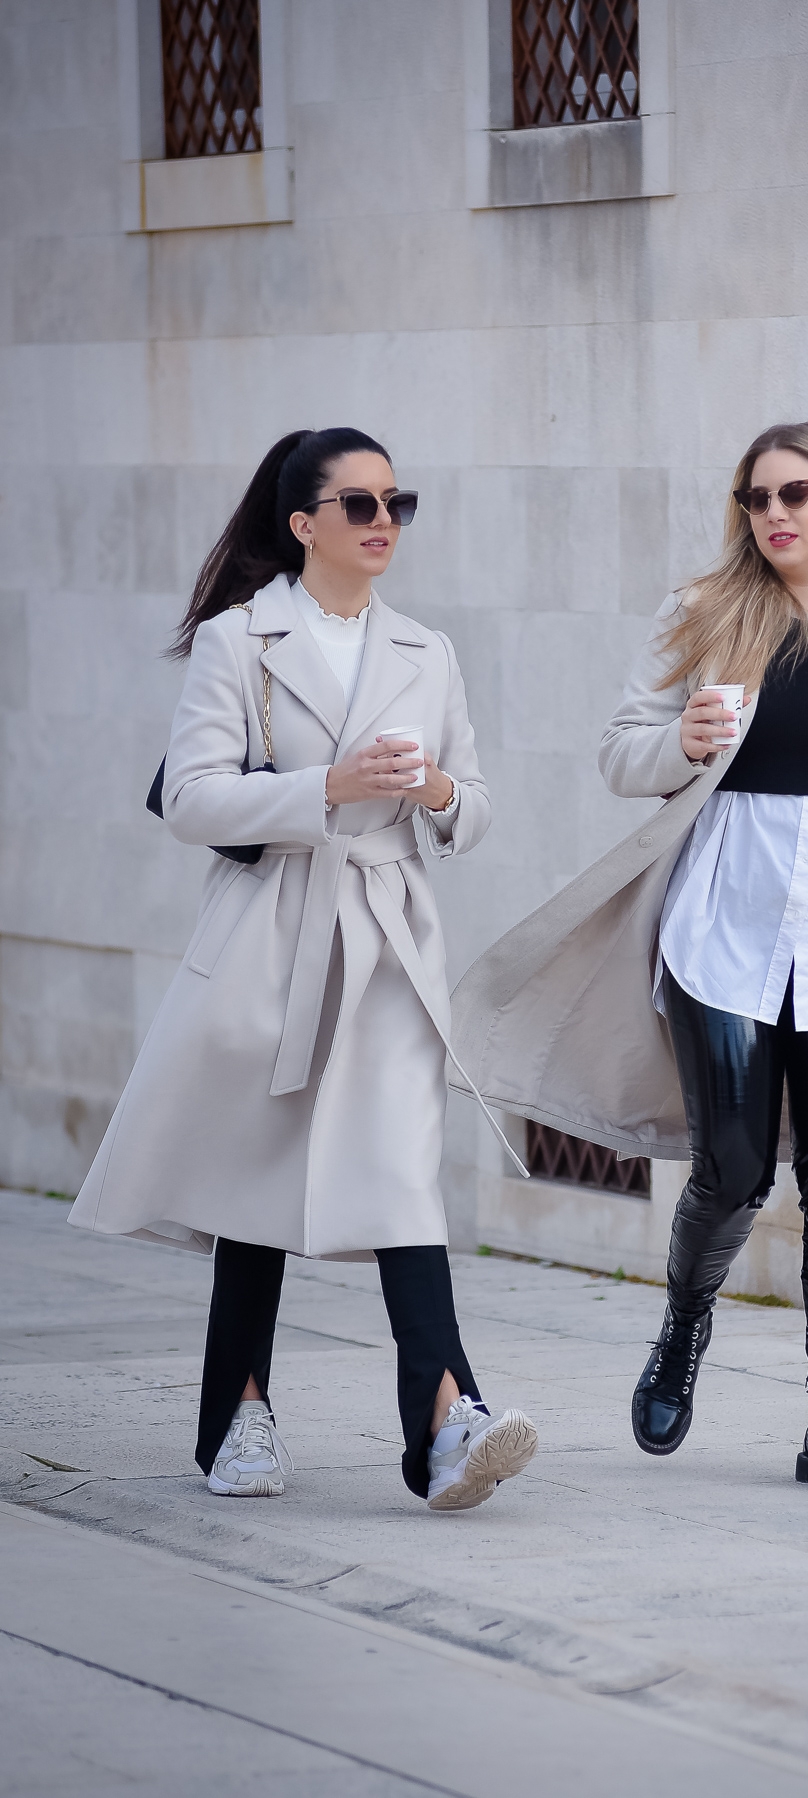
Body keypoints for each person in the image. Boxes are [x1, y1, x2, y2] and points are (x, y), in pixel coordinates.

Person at [449, 421, 808, 1494]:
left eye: (794, 493)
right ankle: (685, 1326)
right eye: (755, 497)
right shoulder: (706, 611)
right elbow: (618, 750)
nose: (773, 513)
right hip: (722, 929)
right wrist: (678, 742)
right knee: (732, 1165)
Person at [70, 428, 537, 1512]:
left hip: (389, 936)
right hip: (273, 934)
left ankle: (446, 1426)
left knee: (403, 1174)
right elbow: (192, 799)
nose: (384, 523)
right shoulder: (241, 639)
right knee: (258, 1172)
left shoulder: (426, 649)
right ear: (303, 524)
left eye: (396, 503)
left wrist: (433, 793)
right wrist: (327, 785)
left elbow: (474, 807)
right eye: (359, 504)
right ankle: (238, 1416)